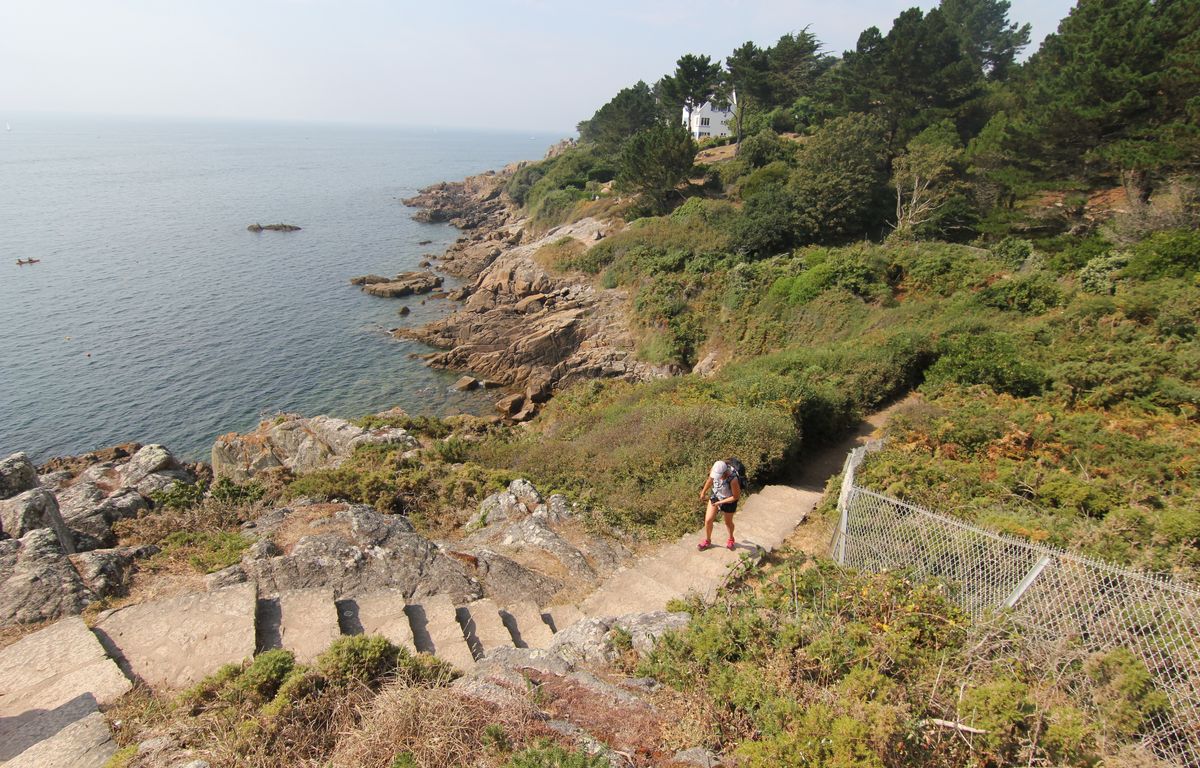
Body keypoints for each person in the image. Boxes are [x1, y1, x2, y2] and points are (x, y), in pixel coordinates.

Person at [698, 459, 740, 550]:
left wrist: (720, 503)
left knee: (728, 523)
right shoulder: (715, 469)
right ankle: (707, 541)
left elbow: (735, 496)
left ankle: (731, 539)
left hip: (729, 501)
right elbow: (710, 480)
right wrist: (703, 492)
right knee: (708, 520)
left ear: (725, 473)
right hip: (716, 496)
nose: (717, 477)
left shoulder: (733, 479)